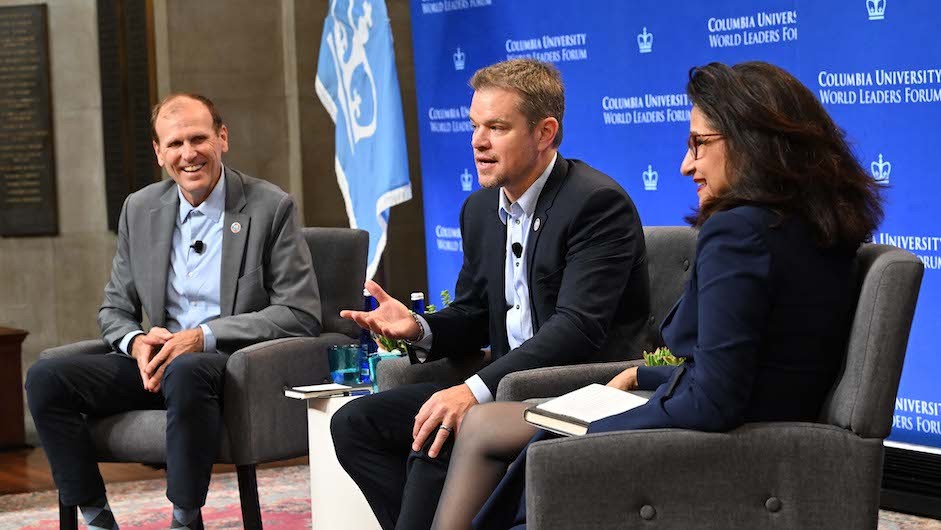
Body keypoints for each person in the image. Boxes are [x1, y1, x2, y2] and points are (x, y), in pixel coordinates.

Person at [431, 61, 886, 530]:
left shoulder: (739, 232)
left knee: (528, 437)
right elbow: (756, 362)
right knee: (485, 426)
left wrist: (598, 425)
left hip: (725, 439)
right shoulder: (812, 224)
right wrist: (638, 375)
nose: (686, 165)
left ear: (754, 142)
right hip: (763, 420)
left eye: (699, 144)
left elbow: (714, 401)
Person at [331, 58, 650, 530]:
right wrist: (419, 328)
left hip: (578, 389)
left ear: (545, 133)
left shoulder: (596, 204)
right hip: (503, 386)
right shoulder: (480, 209)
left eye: (497, 127)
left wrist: (472, 393)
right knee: (355, 424)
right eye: (475, 126)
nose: (477, 142)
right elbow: (477, 312)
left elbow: (577, 330)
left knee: (436, 433)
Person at [25, 93, 321, 530]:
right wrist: (136, 341)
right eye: (175, 144)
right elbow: (115, 308)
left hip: (230, 365)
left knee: (187, 370)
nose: (189, 154)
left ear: (222, 138)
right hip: (159, 361)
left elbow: (300, 313)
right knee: (47, 378)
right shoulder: (140, 208)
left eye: (199, 138)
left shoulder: (269, 207)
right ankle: (95, 516)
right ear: (159, 152)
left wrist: (203, 336)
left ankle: (184, 519)